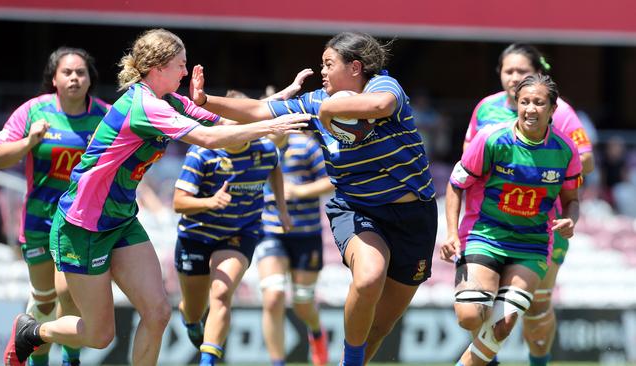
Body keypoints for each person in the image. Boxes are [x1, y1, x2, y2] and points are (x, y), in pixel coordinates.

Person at [3, 28, 309, 366]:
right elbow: (209, 138)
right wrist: (271, 128)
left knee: (158, 312)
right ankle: (32, 332)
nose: (185, 72)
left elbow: (227, 118)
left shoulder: (170, 101)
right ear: (159, 66)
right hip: (84, 225)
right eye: (181, 64)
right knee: (99, 335)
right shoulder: (145, 105)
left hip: (120, 220)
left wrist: (283, 99)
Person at [193, 31, 438, 366]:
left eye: (328, 64)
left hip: (415, 219)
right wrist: (205, 101)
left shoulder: (384, 85)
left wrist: (329, 109)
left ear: (355, 67)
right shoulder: (314, 102)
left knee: (381, 326)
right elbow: (258, 109)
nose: (321, 72)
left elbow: (378, 107)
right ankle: (350, 361)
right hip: (358, 209)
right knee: (368, 278)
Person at [463, 43, 595, 366]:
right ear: (500, 74)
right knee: (479, 303)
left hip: (540, 226)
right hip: (488, 222)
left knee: (536, 306)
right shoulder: (485, 109)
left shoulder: (558, 111)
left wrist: (537, 172)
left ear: (537, 74)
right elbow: (467, 160)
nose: (514, 77)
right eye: (509, 71)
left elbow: (585, 158)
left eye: (522, 72)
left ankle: (539, 362)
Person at [0, 46, 109, 366]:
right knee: (44, 301)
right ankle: (38, 360)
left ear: (90, 79)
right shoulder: (34, 111)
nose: (74, 78)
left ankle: (71, 360)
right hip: (39, 221)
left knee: (68, 293)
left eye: (80, 72)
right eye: (67, 72)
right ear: (54, 79)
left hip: (79, 223)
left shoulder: (105, 116)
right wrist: (30, 141)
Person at [173, 133, 291, 366]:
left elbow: (275, 166)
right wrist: (210, 202)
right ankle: (191, 319)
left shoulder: (265, 149)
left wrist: (282, 208)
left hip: (239, 233)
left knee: (221, 292)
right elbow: (178, 203)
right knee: (195, 310)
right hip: (196, 236)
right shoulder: (202, 153)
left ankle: (207, 362)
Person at [255, 130, 334, 366]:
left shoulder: (307, 146)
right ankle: (277, 362)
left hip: (306, 233)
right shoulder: (257, 145)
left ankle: (316, 332)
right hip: (270, 231)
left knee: (303, 303)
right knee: (273, 296)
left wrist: (299, 191)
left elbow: (331, 180)